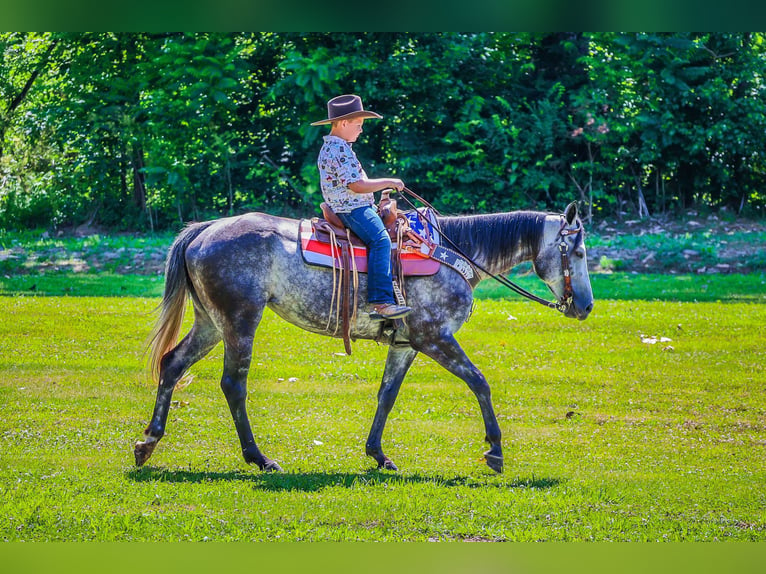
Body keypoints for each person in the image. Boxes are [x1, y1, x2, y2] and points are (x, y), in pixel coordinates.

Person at [312, 94, 412, 320]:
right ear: (344, 123)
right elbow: (356, 185)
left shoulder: (336, 147)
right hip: (352, 209)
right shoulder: (338, 149)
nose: (361, 130)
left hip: (349, 205)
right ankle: (381, 302)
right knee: (381, 241)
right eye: (358, 125)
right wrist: (389, 181)